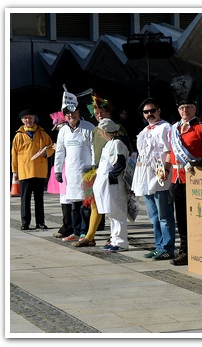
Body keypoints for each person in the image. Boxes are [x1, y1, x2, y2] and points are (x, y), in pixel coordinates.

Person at [72, 94, 132, 247]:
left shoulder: (118, 135)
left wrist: (113, 176)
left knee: (116, 211)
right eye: (97, 113)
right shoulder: (99, 134)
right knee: (102, 207)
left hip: (113, 180)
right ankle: (103, 237)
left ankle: (117, 239)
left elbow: (123, 159)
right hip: (100, 174)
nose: (99, 115)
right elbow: (93, 150)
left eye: (102, 112)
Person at [169, 75, 202, 266]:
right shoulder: (174, 129)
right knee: (181, 218)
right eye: (181, 108)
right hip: (177, 179)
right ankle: (184, 250)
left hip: (195, 179)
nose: (184, 111)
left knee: (198, 218)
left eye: (188, 107)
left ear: (195, 109)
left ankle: (200, 250)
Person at [131, 97, 176, 261]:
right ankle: (159, 246)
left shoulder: (166, 128)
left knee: (164, 214)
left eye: (152, 111)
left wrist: (166, 168)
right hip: (145, 176)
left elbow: (171, 150)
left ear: (159, 111)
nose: (149, 114)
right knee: (153, 216)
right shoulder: (144, 131)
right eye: (146, 112)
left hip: (160, 176)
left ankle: (168, 247)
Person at [54, 87, 95, 242]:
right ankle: (76, 232)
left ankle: (85, 233)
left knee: (85, 205)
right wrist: (58, 170)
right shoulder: (63, 131)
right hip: (71, 173)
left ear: (79, 113)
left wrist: (94, 166)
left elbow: (93, 148)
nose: (71, 116)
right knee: (74, 206)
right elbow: (60, 151)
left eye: (74, 113)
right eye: (68, 114)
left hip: (86, 172)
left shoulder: (89, 128)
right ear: (65, 116)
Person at [11, 109, 55, 230]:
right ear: (22, 120)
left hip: (39, 171)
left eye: (30, 118)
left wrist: (47, 152)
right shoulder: (18, 136)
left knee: (39, 199)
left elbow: (52, 147)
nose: (28, 120)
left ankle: (40, 222)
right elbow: (14, 154)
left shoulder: (43, 134)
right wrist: (15, 171)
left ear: (34, 119)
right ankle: (25, 223)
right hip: (24, 171)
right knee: (25, 199)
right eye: (25, 118)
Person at [92, 118, 130, 252]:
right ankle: (114, 239)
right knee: (111, 213)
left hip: (114, 184)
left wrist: (109, 177)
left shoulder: (118, 143)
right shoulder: (109, 143)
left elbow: (120, 163)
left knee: (118, 213)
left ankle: (121, 241)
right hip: (106, 185)